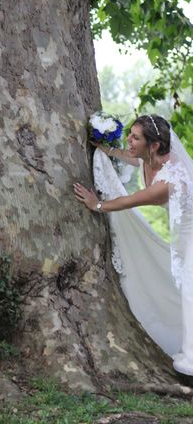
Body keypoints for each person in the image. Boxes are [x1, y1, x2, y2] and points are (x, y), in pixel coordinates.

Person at [74, 114, 193, 375]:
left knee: (189, 294)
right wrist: (104, 145)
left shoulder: (170, 181)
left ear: (154, 146)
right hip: (184, 239)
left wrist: (98, 205)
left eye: (135, 137)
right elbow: (127, 156)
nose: (129, 139)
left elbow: (132, 200)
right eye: (130, 133)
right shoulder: (148, 157)